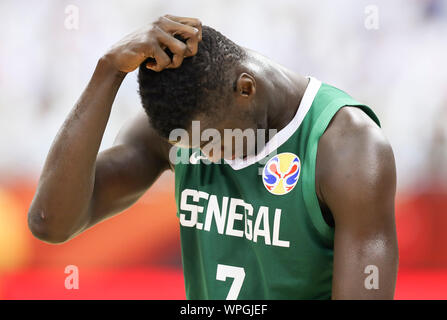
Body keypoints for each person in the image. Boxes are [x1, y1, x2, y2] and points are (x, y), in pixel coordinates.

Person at [28, 15, 398, 299]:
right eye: (195, 148)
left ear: (246, 89)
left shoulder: (350, 148)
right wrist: (108, 70)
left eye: (214, 143)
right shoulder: (181, 132)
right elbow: (50, 222)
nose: (208, 156)